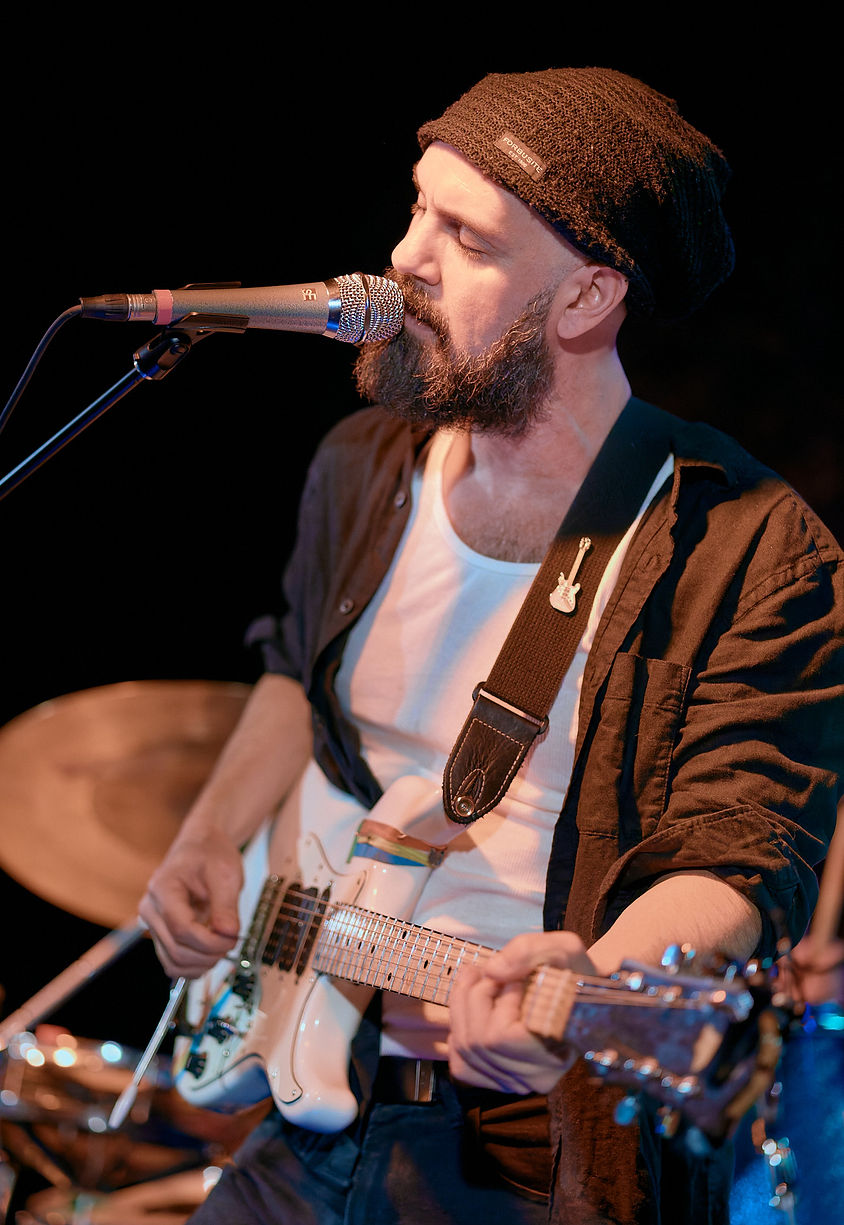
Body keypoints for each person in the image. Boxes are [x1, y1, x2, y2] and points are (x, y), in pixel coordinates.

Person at [139, 68, 843, 1223]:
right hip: (305, 1104)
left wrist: (588, 981)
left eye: (463, 238)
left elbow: (738, 855)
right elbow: (293, 677)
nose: (402, 258)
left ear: (584, 298)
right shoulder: (362, 467)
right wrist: (210, 834)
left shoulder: (751, 550)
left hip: (533, 1151)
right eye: (417, 207)